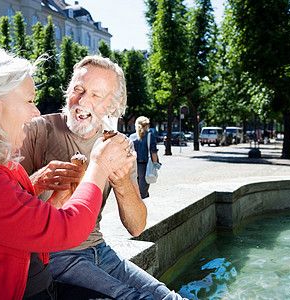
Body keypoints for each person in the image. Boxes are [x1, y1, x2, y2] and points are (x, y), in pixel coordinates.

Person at [0, 48, 137, 299]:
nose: (35, 112)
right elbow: (68, 230)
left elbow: (18, 221)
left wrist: (46, 195)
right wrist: (99, 166)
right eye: (29, 101)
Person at [20, 56, 185, 299]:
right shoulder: (35, 130)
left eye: (96, 95)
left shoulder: (119, 145)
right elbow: (6, 208)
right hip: (52, 254)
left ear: (113, 106)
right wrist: (39, 180)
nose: (82, 101)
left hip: (100, 249)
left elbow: (137, 227)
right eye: (78, 89)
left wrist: (121, 182)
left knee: (167, 296)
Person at [129, 116, 160, 199]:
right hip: (145, 166)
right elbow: (153, 152)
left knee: (135, 190)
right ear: (146, 125)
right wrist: (156, 164)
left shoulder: (131, 137)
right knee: (143, 192)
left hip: (132, 166)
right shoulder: (150, 135)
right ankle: (143, 209)